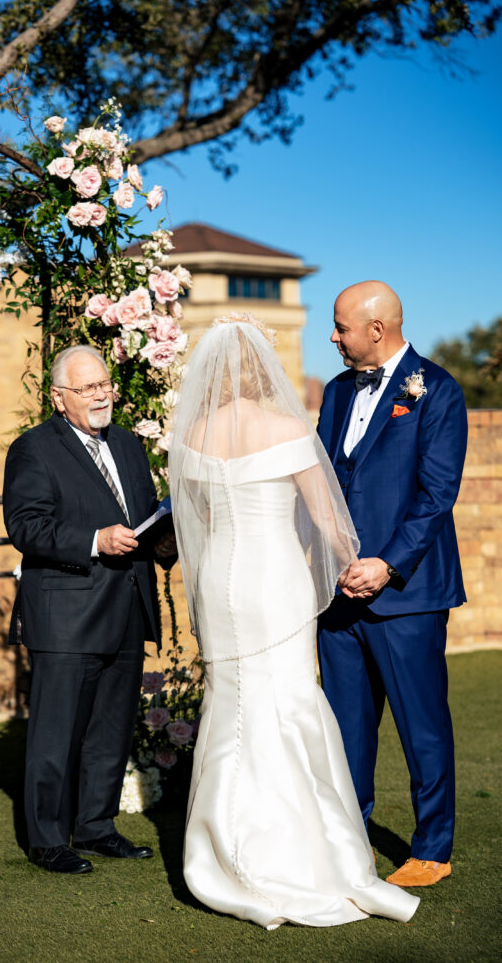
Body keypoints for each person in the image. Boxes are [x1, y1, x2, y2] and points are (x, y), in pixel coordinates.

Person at [168, 314, 418, 928]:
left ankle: (227, 855)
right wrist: (354, 566)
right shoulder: (285, 425)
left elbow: (193, 521)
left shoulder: (194, 432)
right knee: (287, 700)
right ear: (264, 371)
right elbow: (326, 519)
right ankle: (311, 856)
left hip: (220, 577)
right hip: (272, 575)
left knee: (233, 706)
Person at [316, 281, 467, 888]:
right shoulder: (332, 392)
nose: (332, 337)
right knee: (346, 729)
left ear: (375, 329)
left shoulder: (438, 391)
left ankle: (431, 847)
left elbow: (436, 496)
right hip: (337, 595)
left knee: (421, 724)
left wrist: (385, 564)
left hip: (406, 593)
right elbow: (321, 481)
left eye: (340, 326)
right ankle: (348, 841)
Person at [3, 345, 172, 875]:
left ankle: (96, 827)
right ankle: (48, 841)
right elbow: (25, 526)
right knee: (55, 735)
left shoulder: (126, 444)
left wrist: (166, 538)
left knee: (110, 731)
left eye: (105, 384)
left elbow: (143, 517)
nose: (102, 394)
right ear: (58, 398)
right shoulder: (33, 449)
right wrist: (95, 539)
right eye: (88, 388)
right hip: (66, 614)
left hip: (127, 606)